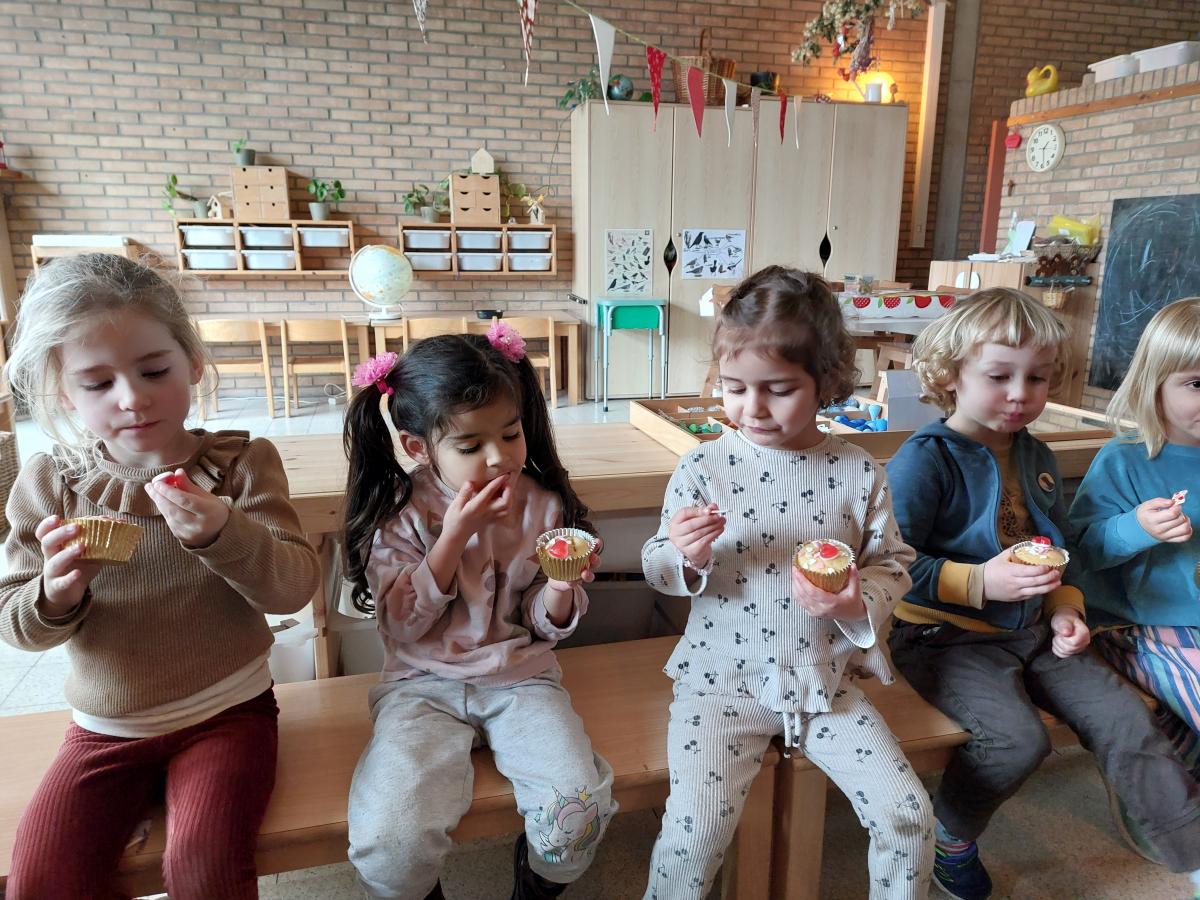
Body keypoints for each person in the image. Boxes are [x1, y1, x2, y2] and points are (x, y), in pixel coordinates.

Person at [0, 253, 321, 899]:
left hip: (229, 712)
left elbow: (293, 588)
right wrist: (56, 593)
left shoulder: (239, 464)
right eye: (97, 383)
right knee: (38, 882)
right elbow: (15, 626)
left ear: (193, 362)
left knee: (204, 871)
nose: (132, 398)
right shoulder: (51, 483)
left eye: (153, 370)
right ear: (64, 394)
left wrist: (223, 533)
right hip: (106, 728)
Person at [886, 288, 1200, 900]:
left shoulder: (1037, 455)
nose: (1020, 394)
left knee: (1127, 720)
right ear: (950, 375)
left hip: (1034, 631)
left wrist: (1066, 611)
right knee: (1015, 740)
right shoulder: (925, 460)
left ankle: (1191, 856)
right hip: (945, 637)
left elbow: (1059, 552)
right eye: (999, 376)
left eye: (1037, 378)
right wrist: (980, 580)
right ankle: (949, 837)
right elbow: (891, 563)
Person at [641, 266, 933, 900]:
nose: (752, 408)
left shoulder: (858, 472)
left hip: (822, 680)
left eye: (777, 389)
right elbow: (657, 565)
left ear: (825, 382)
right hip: (720, 683)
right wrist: (684, 555)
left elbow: (892, 563)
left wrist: (856, 599)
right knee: (693, 838)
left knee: (907, 813)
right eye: (734, 387)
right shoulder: (703, 466)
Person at [340, 324, 615, 900]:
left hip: (522, 680)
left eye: (511, 434)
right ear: (418, 447)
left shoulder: (543, 504)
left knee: (576, 813)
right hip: (420, 685)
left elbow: (542, 622)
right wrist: (454, 534)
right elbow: (401, 624)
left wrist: (561, 587)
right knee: (392, 840)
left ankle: (536, 883)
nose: (499, 458)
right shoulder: (399, 513)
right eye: (470, 447)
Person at [1069, 297, 1200, 863]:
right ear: (1155, 384)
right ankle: (1164, 807)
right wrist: (1137, 528)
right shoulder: (1126, 459)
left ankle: (1166, 791)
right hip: (1142, 626)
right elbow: (1079, 551)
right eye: (1197, 383)